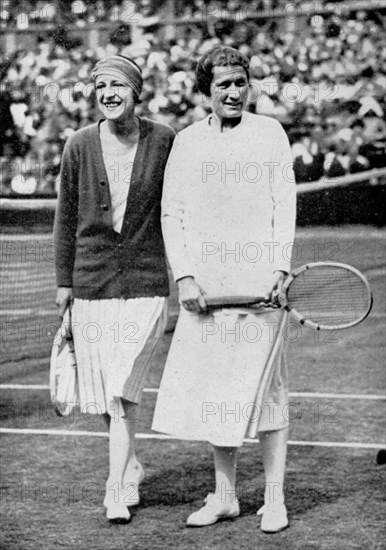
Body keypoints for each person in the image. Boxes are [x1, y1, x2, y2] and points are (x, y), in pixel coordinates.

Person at [152, 46, 296, 533]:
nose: (233, 92)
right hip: (208, 291)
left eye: (240, 82)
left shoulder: (270, 132)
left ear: (249, 85)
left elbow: (284, 202)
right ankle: (226, 495)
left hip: (261, 287)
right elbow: (173, 213)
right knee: (219, 394)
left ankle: (274, 499)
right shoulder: (188, 142)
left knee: (267, 393)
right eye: (223, 85)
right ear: (206, 92)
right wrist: (185, 275)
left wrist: (280, 266)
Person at [54, 54, 174, 523]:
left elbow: (180, 206)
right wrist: (64, 282)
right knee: (109, 392)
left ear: (135, 91)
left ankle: (116, 489)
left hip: (145, 283)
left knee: (122, 388)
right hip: (92, 282)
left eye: (118, 85)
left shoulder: (164, 140)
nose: (108, 92)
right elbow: (65, 219)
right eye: (101, 85)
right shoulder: (79, 144)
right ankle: (131, 464)